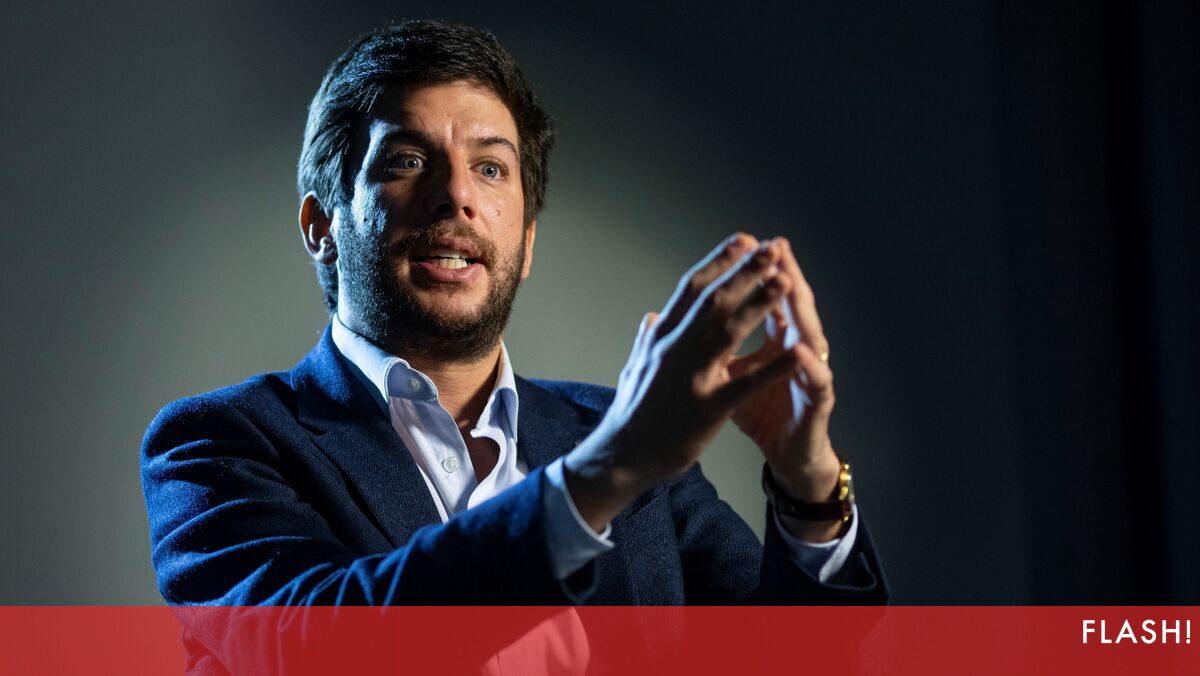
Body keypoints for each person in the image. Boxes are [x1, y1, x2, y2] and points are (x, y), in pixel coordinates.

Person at [140, 19, 886, 671]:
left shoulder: (622, 441)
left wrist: (808, 483)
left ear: (526, 242)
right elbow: (319, 652)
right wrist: (609, 471)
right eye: (406, 161)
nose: (456, 195)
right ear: (321, 226)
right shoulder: (216, 445)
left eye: (491, 168)